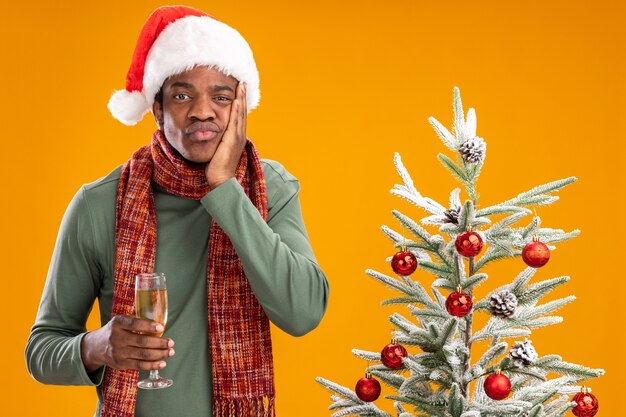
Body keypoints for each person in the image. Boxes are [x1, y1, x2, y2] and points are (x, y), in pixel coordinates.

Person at [25, 6, 329, 417]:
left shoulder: (269, 188)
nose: (203, 111)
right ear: (156, 108)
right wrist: (97, 346)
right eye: (182, 95)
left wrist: (225, 189)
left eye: (221, 96)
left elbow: (303, 312)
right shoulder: (100, 203)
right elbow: (42, 349)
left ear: (241, 108)